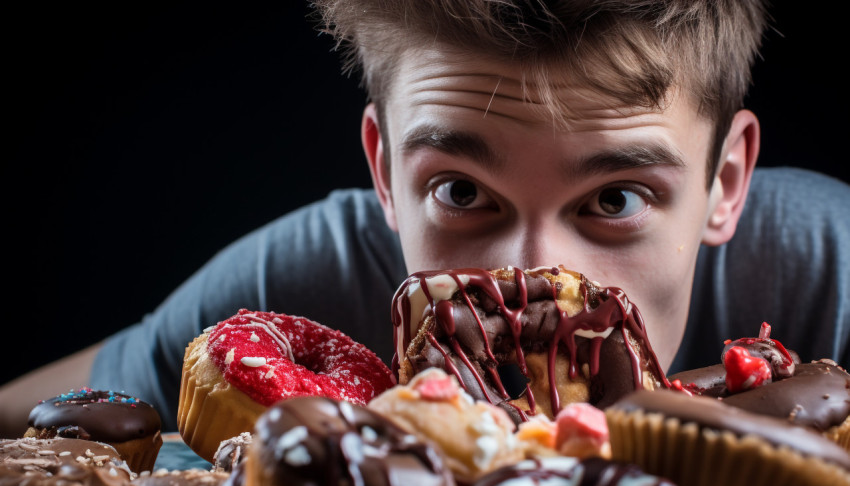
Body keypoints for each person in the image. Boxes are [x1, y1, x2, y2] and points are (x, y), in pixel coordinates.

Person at [2, 0, 848, 436]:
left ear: (726, 179)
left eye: (614, 199)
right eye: (463, 192)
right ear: (384, 170)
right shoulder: (300, 290)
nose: (529, 283)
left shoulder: (833, 270)